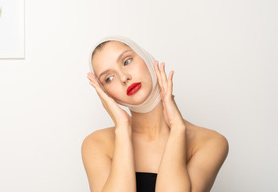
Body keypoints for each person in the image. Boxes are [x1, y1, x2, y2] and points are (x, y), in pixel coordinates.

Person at [81, 36, 229, 192]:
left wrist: (177, 128)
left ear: (146, 58)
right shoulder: (97, 144)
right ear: (104, 93)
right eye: (109, 78)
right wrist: (123, 128)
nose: (124, 78)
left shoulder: (210, 142)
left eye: (127, 61)